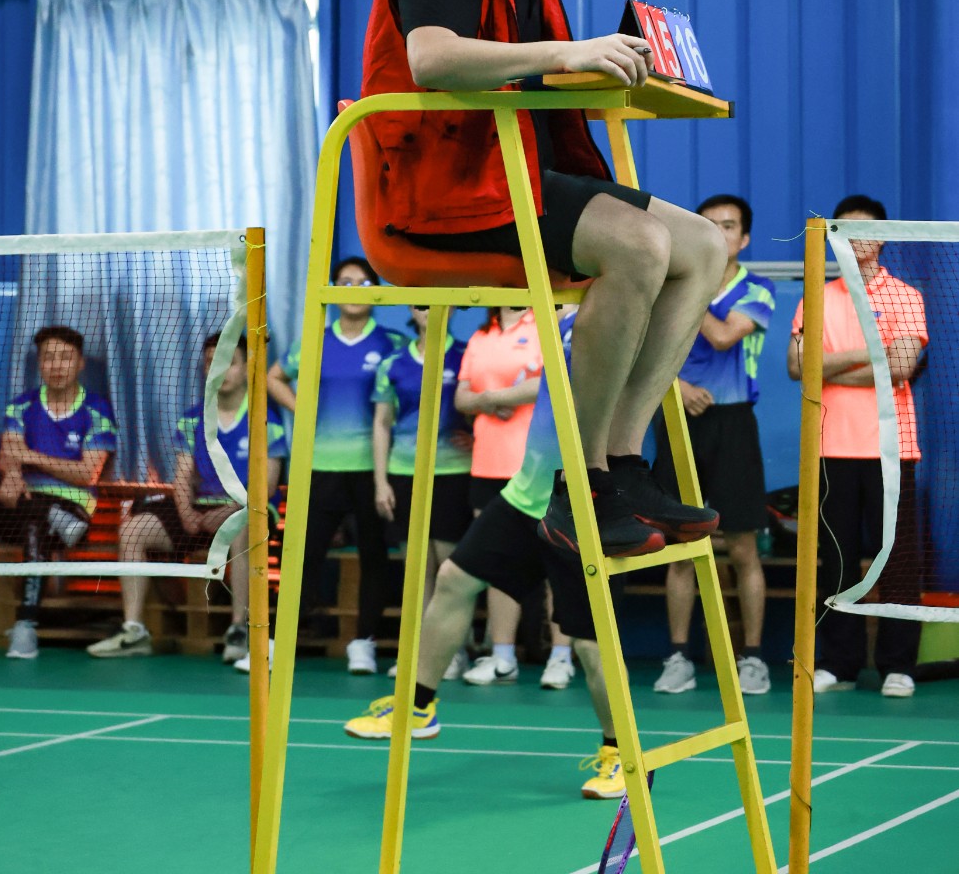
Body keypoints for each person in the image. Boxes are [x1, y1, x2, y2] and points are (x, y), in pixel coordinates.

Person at [361, 0, 726, 559]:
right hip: (440, 194)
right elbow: (432, 58)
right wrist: (570, 51)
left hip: (511, 174)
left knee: (704, 246)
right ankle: (579, 483)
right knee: (638, 245)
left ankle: (621, 462)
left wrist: (626, 70)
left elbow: (537, 80)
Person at [345, 308, 626, 801]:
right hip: (526, 491)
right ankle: (418, 706)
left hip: (583, 505)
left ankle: (619, 751)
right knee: (455, 579)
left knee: (589, 642)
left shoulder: (619, 320)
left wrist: (495, 396)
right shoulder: (557, 322)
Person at [788, 195, 928, 698]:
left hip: (892, 447)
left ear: (883, 237)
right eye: (843, 230)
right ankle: (840, 664)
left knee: (898, 561)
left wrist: (830, 365)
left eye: (864, 229)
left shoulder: (906, 296)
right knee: (836, 561)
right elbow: (797, 366)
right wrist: (870, 351)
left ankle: (898, 665)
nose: (854, 239)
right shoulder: (816, 297)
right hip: (830, 448)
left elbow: (901, 368)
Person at [87, 332, 281, 668]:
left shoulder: (264, 419)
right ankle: (134, 630)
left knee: (241, 527)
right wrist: (187, 512)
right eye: (211, 363)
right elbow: (182, 476)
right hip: (201, 510)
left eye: (229, 362)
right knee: (133, 530)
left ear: (247, 367)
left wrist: (230, 510)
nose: (219, 369)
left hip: (247, 511)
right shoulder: (193, 419)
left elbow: (267, 486)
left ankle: (239, 629)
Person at [652, 195, 777, 696]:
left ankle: (754, 658)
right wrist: (677, 386)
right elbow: (646, 352)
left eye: (727, 226)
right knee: (681, 547)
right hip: (678, 419)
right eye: (706, 226)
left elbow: (725, 336)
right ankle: (678, 656)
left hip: (733, 424)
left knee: (742, 548)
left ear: (743, 238)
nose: (717, 234)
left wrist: (692, 288)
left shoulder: (758, 290)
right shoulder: (667, 286)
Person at [267, 255, 404, 674]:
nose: (354, 290)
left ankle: (363, 643)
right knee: (303, 554)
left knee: (374, 556)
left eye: (364, 283)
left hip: (373, 471)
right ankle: (281, 640)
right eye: (345, 282)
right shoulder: (315, 340)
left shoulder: (392, 343)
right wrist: (303, 410)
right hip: (319, 467)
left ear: (377, 292)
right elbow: (274, 377)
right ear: (332, 290)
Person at [0, 325, 117, 660]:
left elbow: (86, 472)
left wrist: (30, 457)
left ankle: (25, 626)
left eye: (65, 357)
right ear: (39, 363)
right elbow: (9, 454)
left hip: (72, 510)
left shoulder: (96, 409)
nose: (56, 365)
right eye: (49, 357)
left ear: (80, 363)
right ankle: (47, 513)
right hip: (21, 503)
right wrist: (11, 474)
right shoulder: (21, 405)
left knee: (34, 526)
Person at [372, 305, 471, 678]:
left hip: (453, 473)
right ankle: (415, 652)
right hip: (404, 472)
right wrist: (381, 481)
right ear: (411, 310)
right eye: (421, 304)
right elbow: (382, 423)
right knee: (416, 569)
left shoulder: (466, 354)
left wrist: (477, 438)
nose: (429, 309)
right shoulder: (393, 363)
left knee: (449, 568)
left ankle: (453, 651)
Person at [454, 305, 543, 685]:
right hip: (487, 464)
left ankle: (559, 656)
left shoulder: (546, 324)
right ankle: (503, 656)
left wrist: (498, 396)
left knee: (554, 560)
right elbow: (461, 397)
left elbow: (553, 381)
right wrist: (489, 402)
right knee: (497, 562)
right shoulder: (481, 335)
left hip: (536, 462)